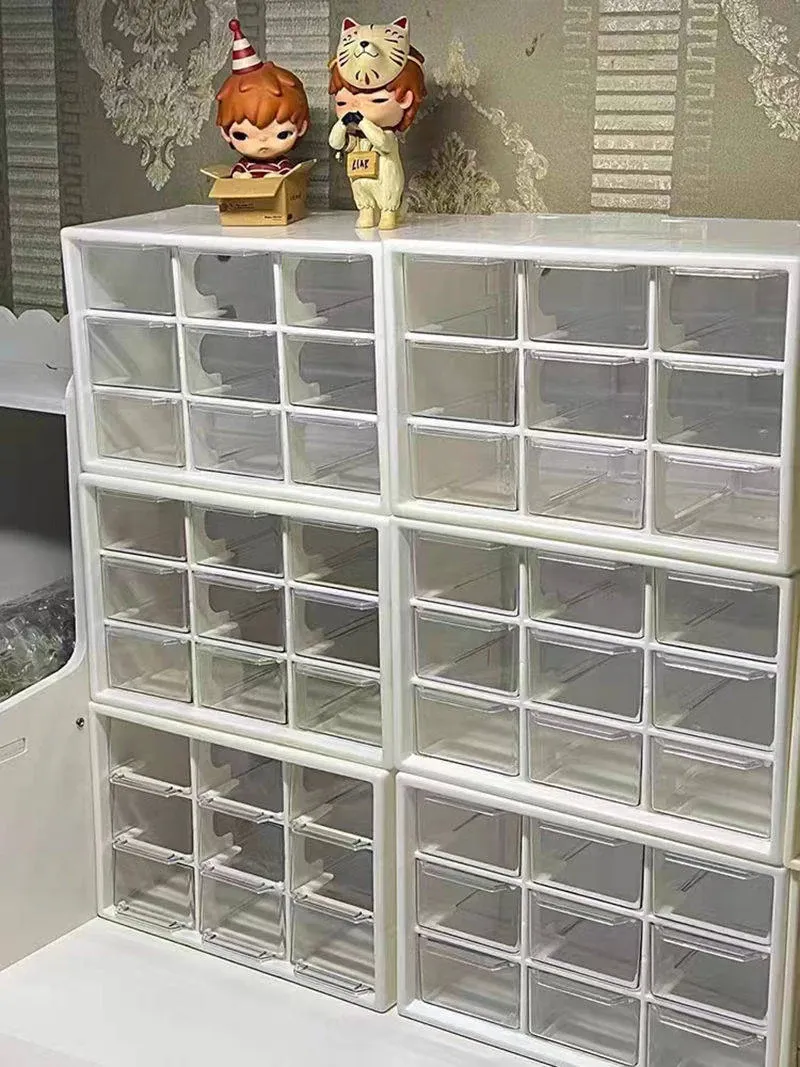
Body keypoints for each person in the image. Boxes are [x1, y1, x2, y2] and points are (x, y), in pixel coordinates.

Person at [328, 18, 426, 229]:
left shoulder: (386, 135)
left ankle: (389, 213)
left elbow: (382, 143)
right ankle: (366, 212)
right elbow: (335, 143)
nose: (357, 107)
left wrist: (362, 122)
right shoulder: (355, 138)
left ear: (405, 99)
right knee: (362, 199)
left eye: (378, 100)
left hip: (385, 179)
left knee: (388, 199)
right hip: (360, 177)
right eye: (343, 102)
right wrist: (343, 124)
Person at [217, 20, 309, 178]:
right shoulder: (244, 165)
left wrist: (275, 180)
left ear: (301, 128)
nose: (263, 142)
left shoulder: (281, 165)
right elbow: (237, 174)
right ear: (226, 133)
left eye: (282, 134)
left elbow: (287, 177)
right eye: (241, 135)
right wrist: (240, 177)